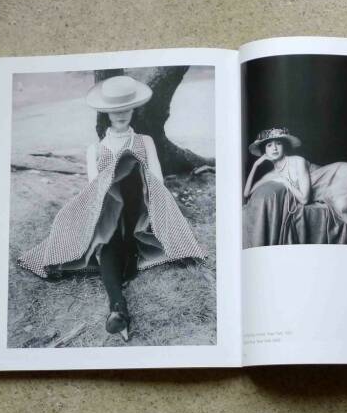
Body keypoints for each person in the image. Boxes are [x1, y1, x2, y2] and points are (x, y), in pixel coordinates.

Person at [18, 75, 206, 341]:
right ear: (106, 112)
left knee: (131, 166)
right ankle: (118, 309)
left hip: (139, 212)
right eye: (115, 110)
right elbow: (94, 192)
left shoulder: (145, 141)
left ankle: (125, 275)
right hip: (108, 215)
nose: (120, 114)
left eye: (126, 108)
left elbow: (157, 182)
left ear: (133, 109)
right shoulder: (95, 149)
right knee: (108, 246)